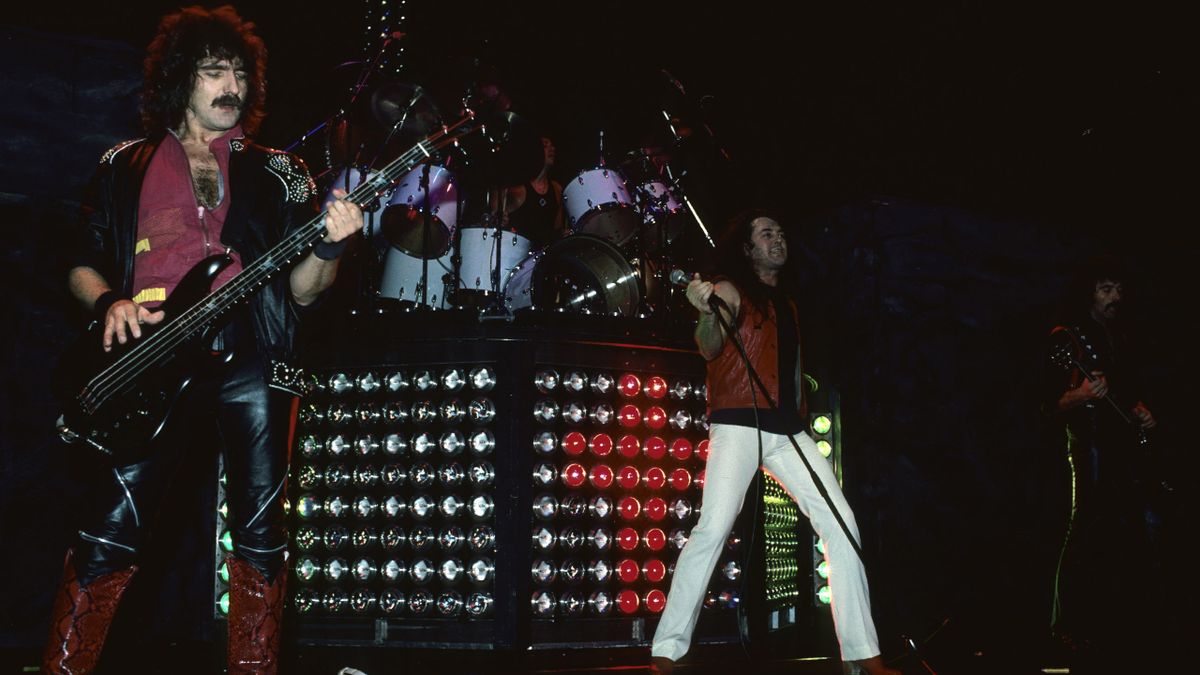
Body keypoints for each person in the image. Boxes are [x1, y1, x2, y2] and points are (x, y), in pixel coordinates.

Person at [43, 6, 361, 673]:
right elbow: (79, 263)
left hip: (250, 348)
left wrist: (332, 245)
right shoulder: (123, 166)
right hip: (152, 350)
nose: (232, 87)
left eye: (241, 72)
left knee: (260, 533)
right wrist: (110, 301)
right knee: (109, 529)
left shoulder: (281, 171)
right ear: (180, 80)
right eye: (215, 71)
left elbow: (304, 291)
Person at [650, 211, 898, 675]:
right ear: (748, 249)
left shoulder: (789, 304)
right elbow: (708, 347)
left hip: (789, 432)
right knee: (713, 529)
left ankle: (864, 656)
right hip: (740, 425)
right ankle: (668, 648)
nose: (778, 239)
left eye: (781, 233)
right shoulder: (728, 288)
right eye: (767, 234)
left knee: (842, 523)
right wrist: (704, 309)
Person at [1044, 255, 1166, 663]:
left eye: (1118, 289)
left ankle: (1115, 620)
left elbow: (1125, 389)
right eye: (1105, 289)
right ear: (1089, 293)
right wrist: (1079, 396)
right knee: (1084, 526)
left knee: (1129, 526)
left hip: (1120, 445)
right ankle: (1064, 627)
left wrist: (1140, 410)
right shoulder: (1069, 337)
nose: (1115, 297)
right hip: (1089, 442)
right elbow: (1044, 400)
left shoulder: (1120, 335)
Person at [493, 136, 565, 248]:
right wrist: (498, 219)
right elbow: (490, 221)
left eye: (552, 146)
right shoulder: (515, 188)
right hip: (516, 255)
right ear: (534, 151)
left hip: (545, 259)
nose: (552, 149)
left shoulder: (557, 189)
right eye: (546, 146)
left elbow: (557, 230)